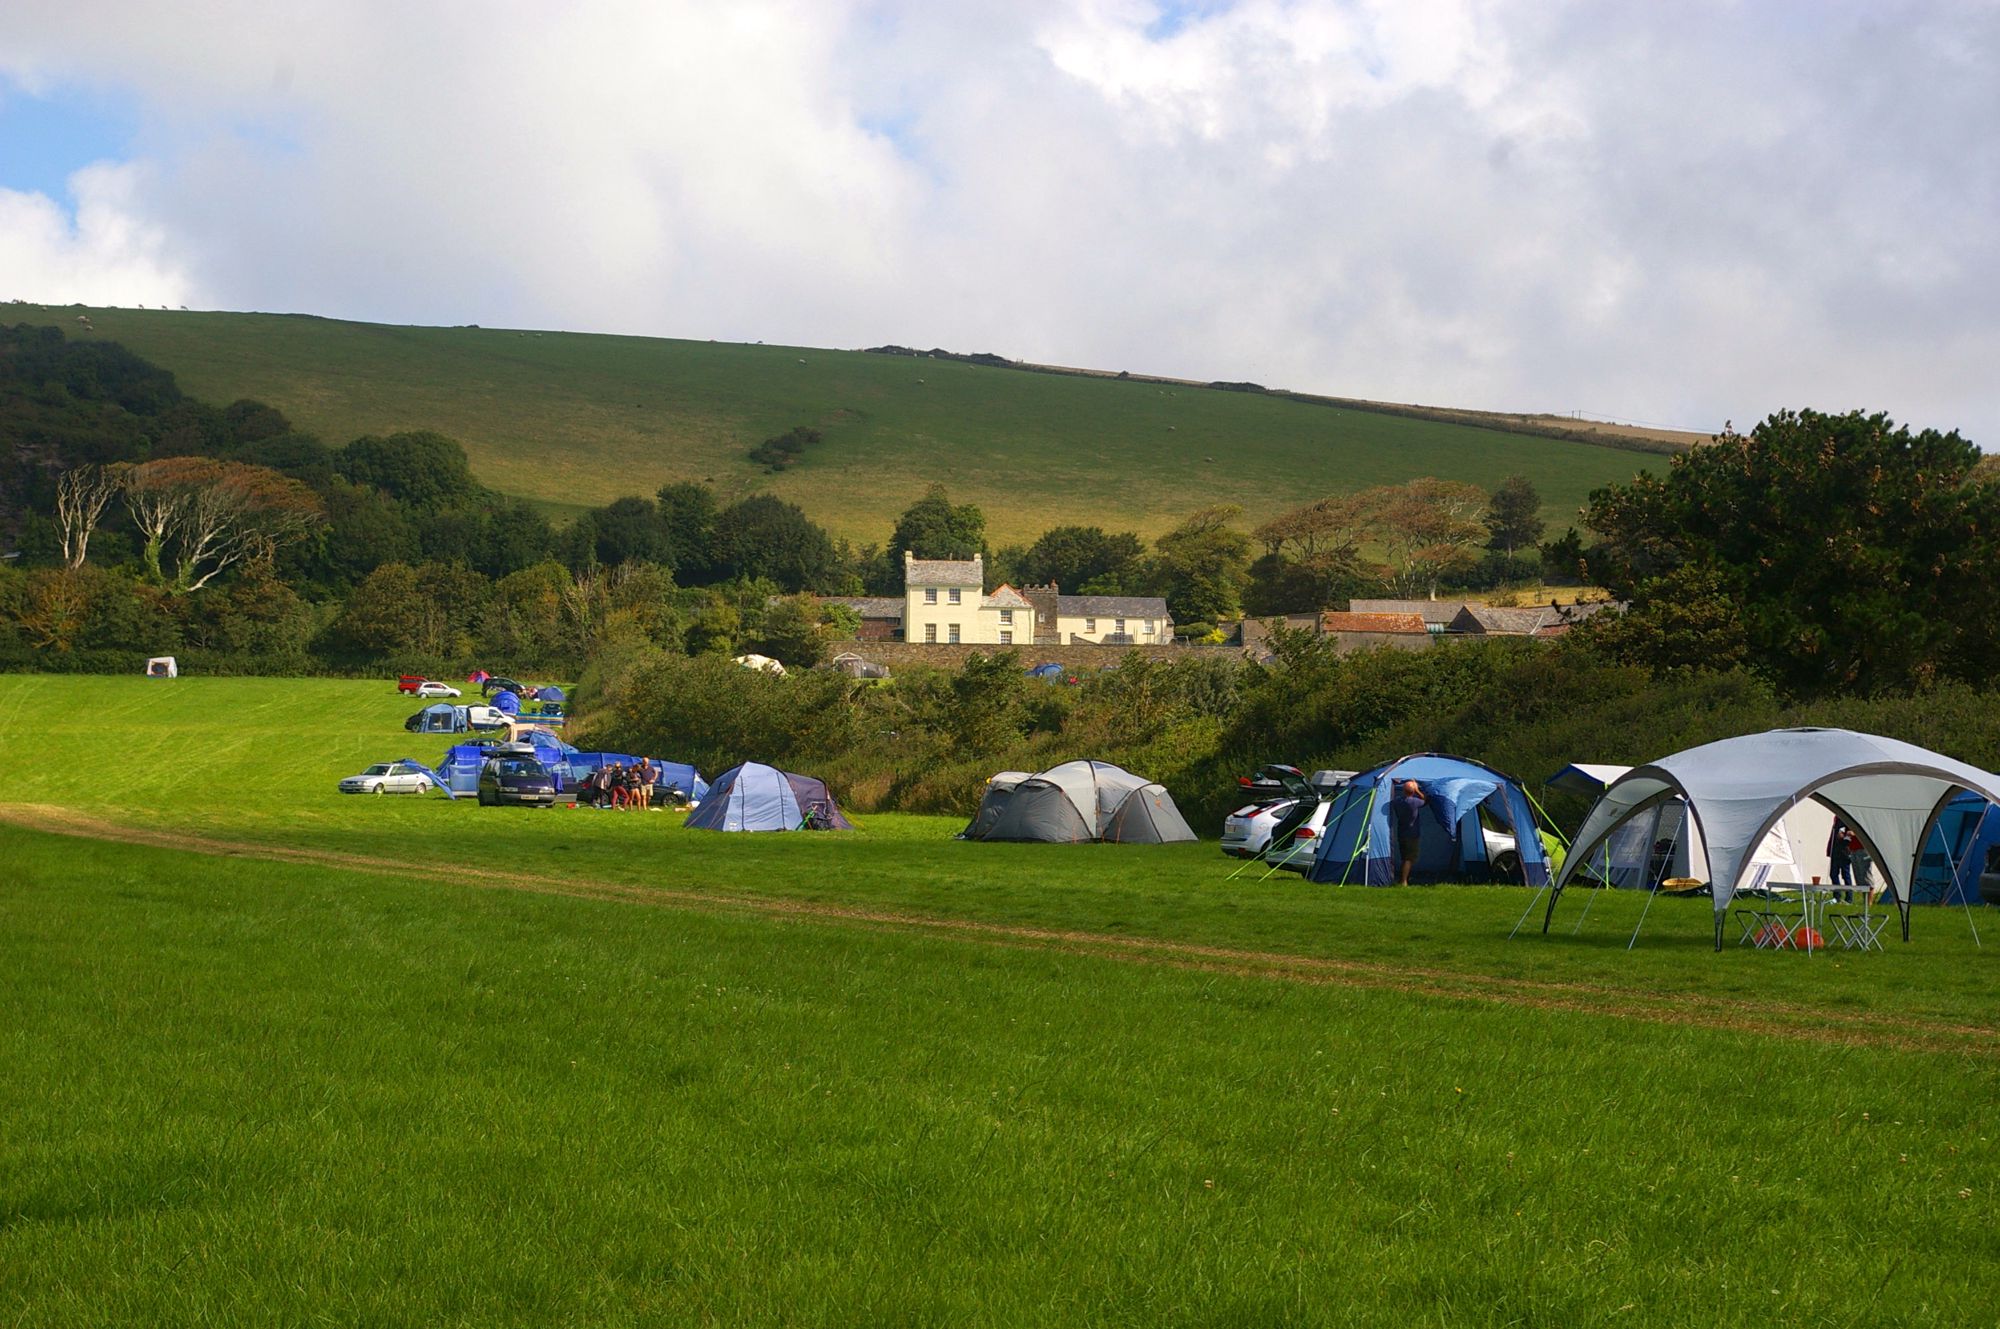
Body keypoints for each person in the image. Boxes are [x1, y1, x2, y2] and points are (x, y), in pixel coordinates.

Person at [1392, 779, 1427, 885]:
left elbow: (1393, 800)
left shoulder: (1397, 801)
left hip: (1401, 832)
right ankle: (1404, 881)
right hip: (1412, 834)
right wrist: (1418, 790)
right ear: (1413, 791)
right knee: (1409, 858)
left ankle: (1402, 878)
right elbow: (1425, 800)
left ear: (1403, 790)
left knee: (1404, 857)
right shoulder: (1414, 802)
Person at [1827, 817, 1855, 897]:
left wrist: (1844, 836)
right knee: (1833, 874)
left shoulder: (1848, 819)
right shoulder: (1837, 820)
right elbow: (1833, 836)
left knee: (1845, 875)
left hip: (1845, 852)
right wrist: (1830, 850)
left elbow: (1852, 834)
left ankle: (1849, 897)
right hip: (1835, 851)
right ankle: (1837, 896)